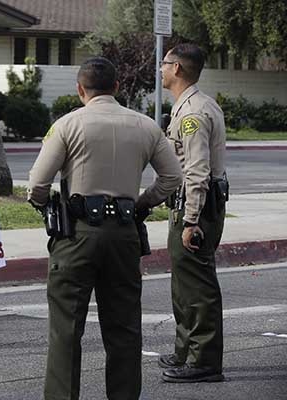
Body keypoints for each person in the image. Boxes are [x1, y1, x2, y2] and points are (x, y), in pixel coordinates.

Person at [28, 57, 182, 400]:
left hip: (76, 233)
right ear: (116, 87)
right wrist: (141, 203)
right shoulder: (145, 126)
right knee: (124, 329)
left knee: (66, 331)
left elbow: (38, 183)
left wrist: (44, 204)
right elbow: (172, 178)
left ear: (80, 89)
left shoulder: (67, 125)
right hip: (125, 233)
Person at [158, 43, 228, 383]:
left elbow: (198, 172)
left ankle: (205, 362)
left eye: (165, 63)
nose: (161, 69)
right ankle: (185, 350)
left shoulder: (192, 114)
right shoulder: (193, 105)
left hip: (195, 207)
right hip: (191, 204)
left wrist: (191, 221)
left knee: (197, 287)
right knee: (183, 285)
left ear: (178, 70)